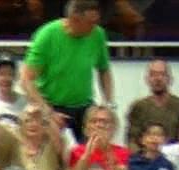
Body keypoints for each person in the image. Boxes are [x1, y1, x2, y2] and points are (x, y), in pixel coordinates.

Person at [23, 0, 115, 140]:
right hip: (52, 106)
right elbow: (26, 80)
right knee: (54, 150)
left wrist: (108, 103)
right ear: (74, 19)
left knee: (94, 147)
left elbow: (104, 70)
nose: (94, 27)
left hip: (84, 107)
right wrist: (48, 112)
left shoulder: (98, 34)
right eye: (90, 23)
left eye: (96, 22)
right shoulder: (47, 35)